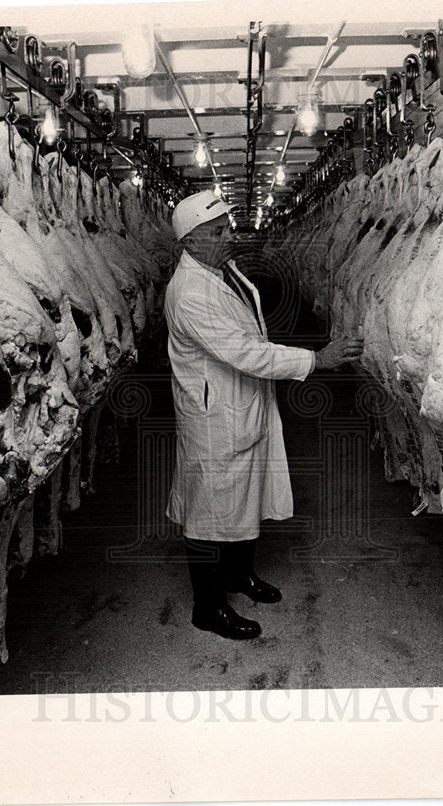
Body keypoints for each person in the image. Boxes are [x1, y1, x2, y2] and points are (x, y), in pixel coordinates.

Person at [163, 190, 363, 640]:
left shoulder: (219, 269)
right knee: (209, 511)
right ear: (190, 243)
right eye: (217, 233)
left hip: (240, 404)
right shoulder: (190, 292)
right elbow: (245, 353)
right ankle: (207, 606)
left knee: (243, 496)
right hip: (216, 417)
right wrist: (316, 360)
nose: (229, 237)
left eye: (226, 227)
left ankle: (239, 577)